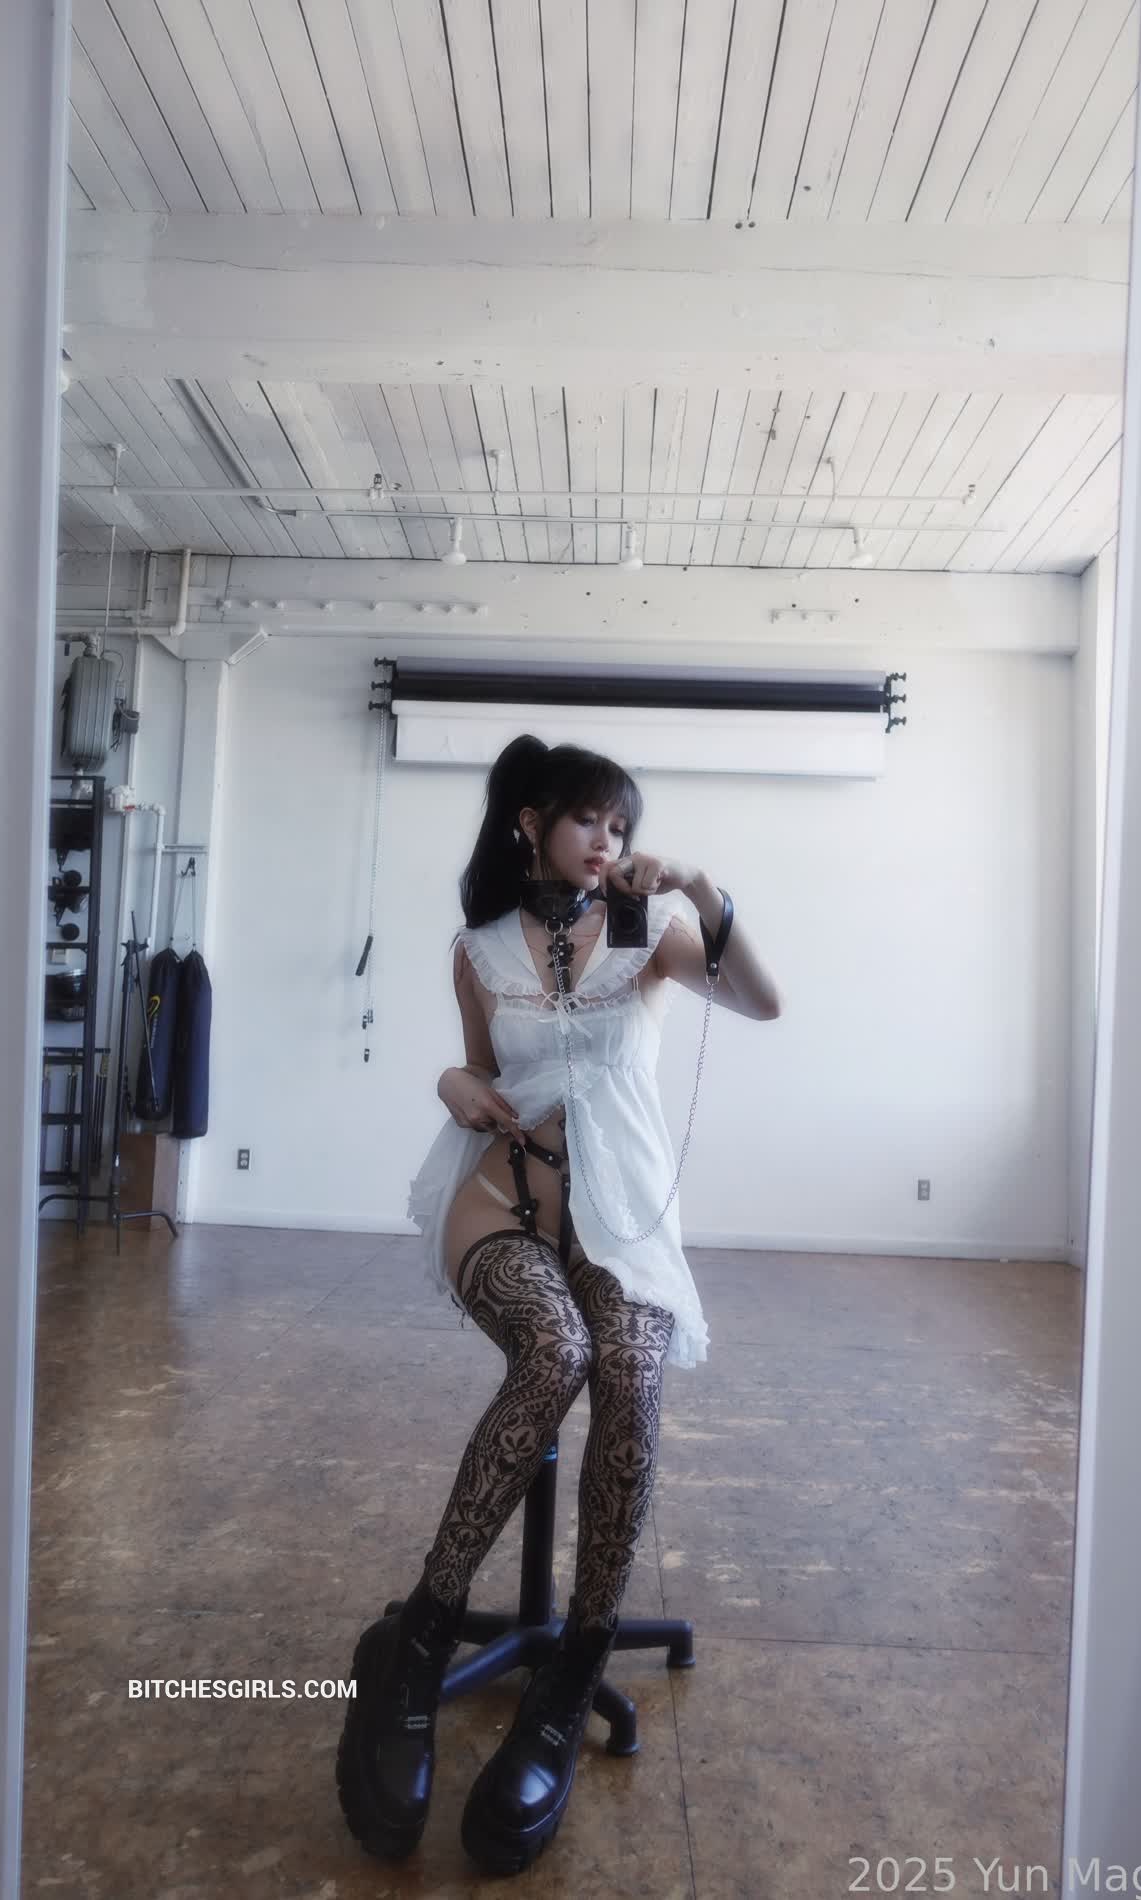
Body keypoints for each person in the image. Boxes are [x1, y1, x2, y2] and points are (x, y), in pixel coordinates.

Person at [337, 733, 781, 1876]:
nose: (608, 840)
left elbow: (763, 1002)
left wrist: (695, 884)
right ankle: (422, 1638)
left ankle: (573, 1667)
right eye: (590, 818)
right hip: (504, 1199)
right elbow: (483, 1073)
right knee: (554, 1349)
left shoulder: (648, 932)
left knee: (626, 1370)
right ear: (531, 822)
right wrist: (452, 1081)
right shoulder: (478, 947)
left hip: (623, 1218)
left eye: (622, 825)